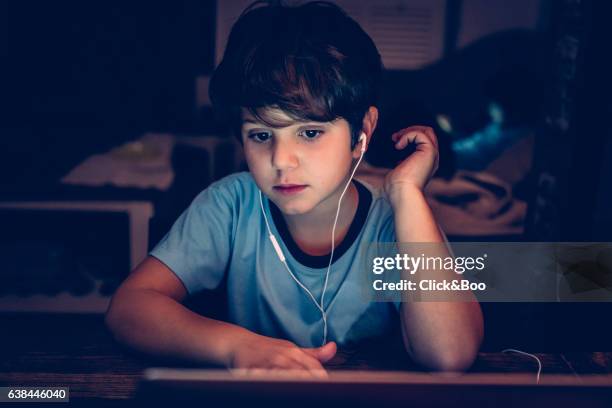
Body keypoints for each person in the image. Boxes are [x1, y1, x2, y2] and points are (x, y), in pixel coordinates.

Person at [105, 0, 483, 376]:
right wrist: (236, 347)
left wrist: (406, 193)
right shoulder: (231, 206)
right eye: (261, 134)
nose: (281, 159)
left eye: (310, 132)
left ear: (362, 133)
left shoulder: (395, 220)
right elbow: (128, 308)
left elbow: (449, 355)